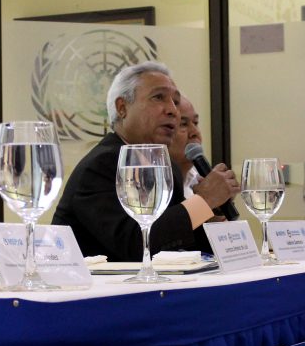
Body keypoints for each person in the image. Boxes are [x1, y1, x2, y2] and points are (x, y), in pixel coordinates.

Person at [52, 61, 239, 261]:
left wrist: (209, 214)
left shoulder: (166, 167)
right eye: (159, 97)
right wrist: (203, 200)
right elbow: (135, 245)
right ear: (122, 107)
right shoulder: (102, 165)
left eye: (175, 101)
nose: (173, 111)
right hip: (90, 289)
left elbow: (177, 245)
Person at [168, 95, 202, 198]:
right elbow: (173, 214)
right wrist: (206, 200)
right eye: (183, 124)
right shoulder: (153, 187)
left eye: (195, 123)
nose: (195, 132)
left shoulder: (198, 179)